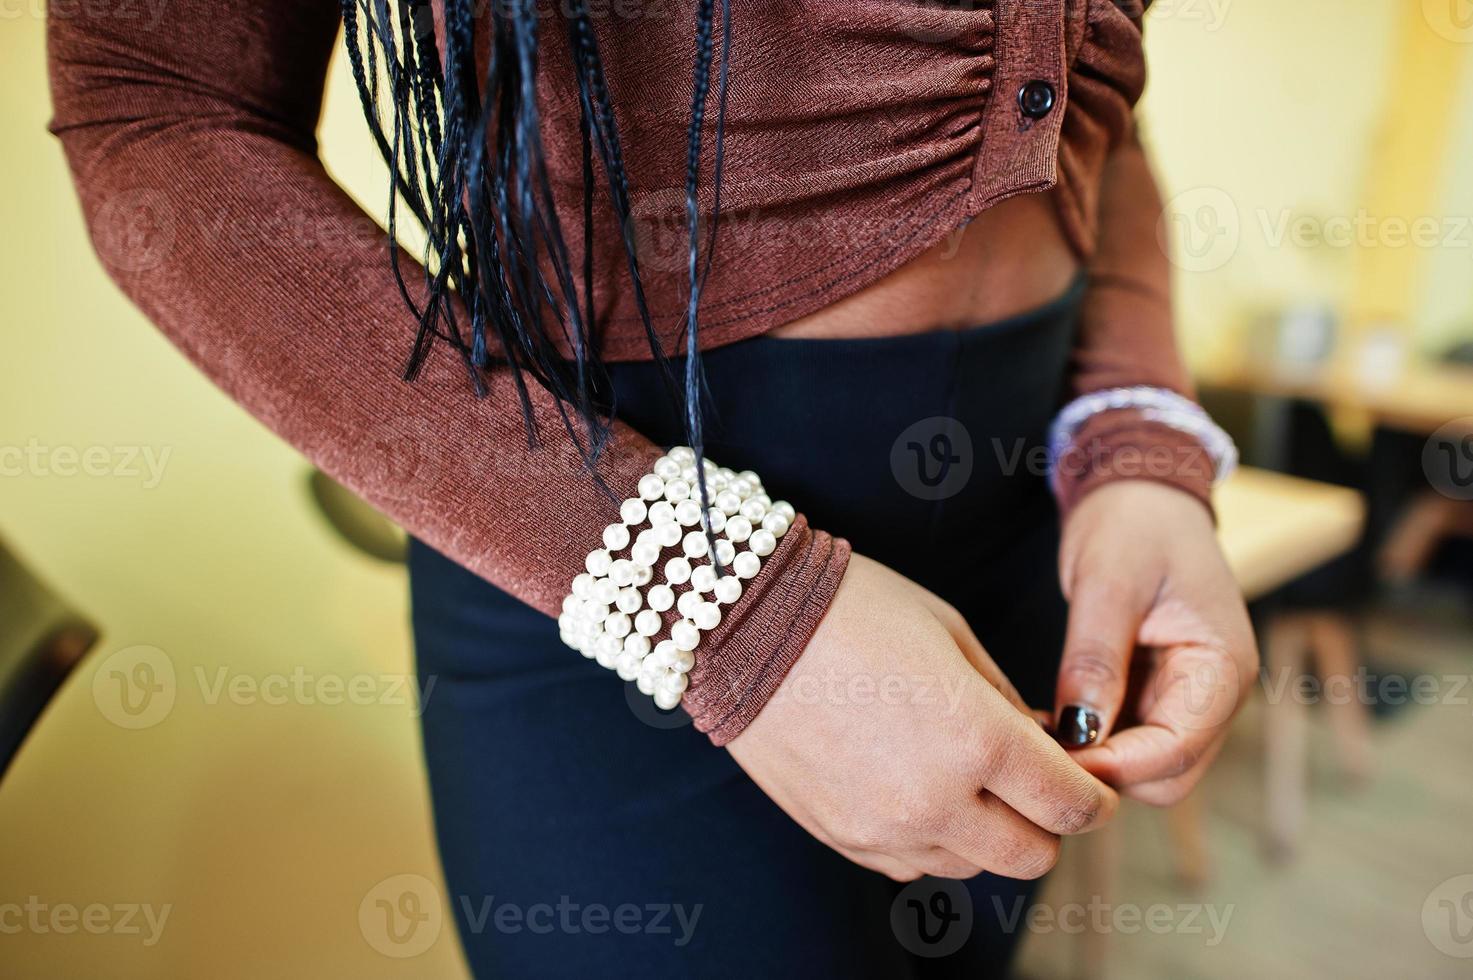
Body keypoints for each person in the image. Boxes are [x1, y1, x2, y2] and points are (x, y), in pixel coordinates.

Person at [48, 0, 1257, 974]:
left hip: (1022, 528)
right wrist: (727, 608)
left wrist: (1136, 441)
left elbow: (1100, 114)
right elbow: (157, 109)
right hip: (620, 558)